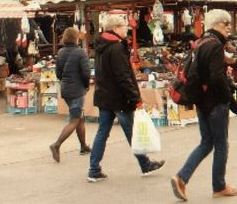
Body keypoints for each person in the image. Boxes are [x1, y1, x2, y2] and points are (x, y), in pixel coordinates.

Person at [170, 9, 237, 202]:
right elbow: (216, 77)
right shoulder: (215, 45)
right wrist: (227, 97)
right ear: (216, 25)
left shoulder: (201, 42)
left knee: (206, 142)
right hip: (215, 102)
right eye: (225, 23)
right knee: (221, 145)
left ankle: (181, 177)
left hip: (201, 100)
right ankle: (219, 186)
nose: (228, 27)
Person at [87, 14, 165, 182]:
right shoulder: (116, 48)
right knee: (132, 133)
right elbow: (123, 77)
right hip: (119, 98)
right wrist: (135, 98)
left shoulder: (101, 45)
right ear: (115, 28)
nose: (126, 30)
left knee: (102, 133)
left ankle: (94, 169)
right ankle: (145, 164)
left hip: (104, 97)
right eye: (124, 27)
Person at [49, 27, 91, 162]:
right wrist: (86, 85)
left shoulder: (60, 52)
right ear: (76, 38)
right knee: (75, 119)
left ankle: (83, 146)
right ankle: (56, 144)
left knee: (79, 118)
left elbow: (58, 74)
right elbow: (86, 73)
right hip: (77, 90)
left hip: (66, 89)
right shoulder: (80, 53)